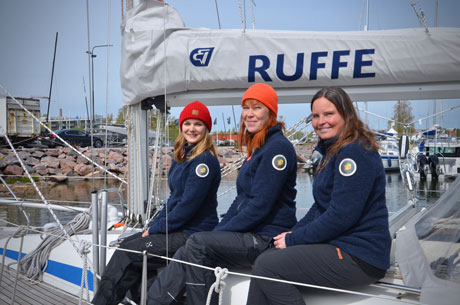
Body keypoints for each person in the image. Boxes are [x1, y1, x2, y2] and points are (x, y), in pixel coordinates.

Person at [147, 83, 298, 305]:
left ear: (271, 113)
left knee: (198, 243)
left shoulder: (277, 148)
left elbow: (260, 206)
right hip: (253, 233)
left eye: (257, 107)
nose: (249, 114)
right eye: (246, 108)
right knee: (192, 245)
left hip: (266, 237)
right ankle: (154, 302)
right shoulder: (259, 147)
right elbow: (240, 200)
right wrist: (218, 232)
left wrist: (219, 233)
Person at [245, 87, 392, 305]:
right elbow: (320, 207)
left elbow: (341, 215)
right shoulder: (331, 151)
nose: (321, 121)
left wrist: (294, 239)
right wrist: (292, 233)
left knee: (267, 267)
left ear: (346, 115)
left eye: (329, 114)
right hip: (343, 246)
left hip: (360, 256)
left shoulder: (354, 152)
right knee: (264, 260)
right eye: (315, 116)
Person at [92, 101, 221, 305]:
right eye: (187, 123)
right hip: (178, 229)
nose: (192, 129)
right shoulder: (183, 157)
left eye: (198, 124)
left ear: (206, 128)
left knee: (129, 252)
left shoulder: (203, 162)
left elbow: (187, 207)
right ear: (181, 126)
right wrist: (153, 227)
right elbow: (174, 200)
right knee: (128, 244)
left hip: (193, 232)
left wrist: (155, 230)